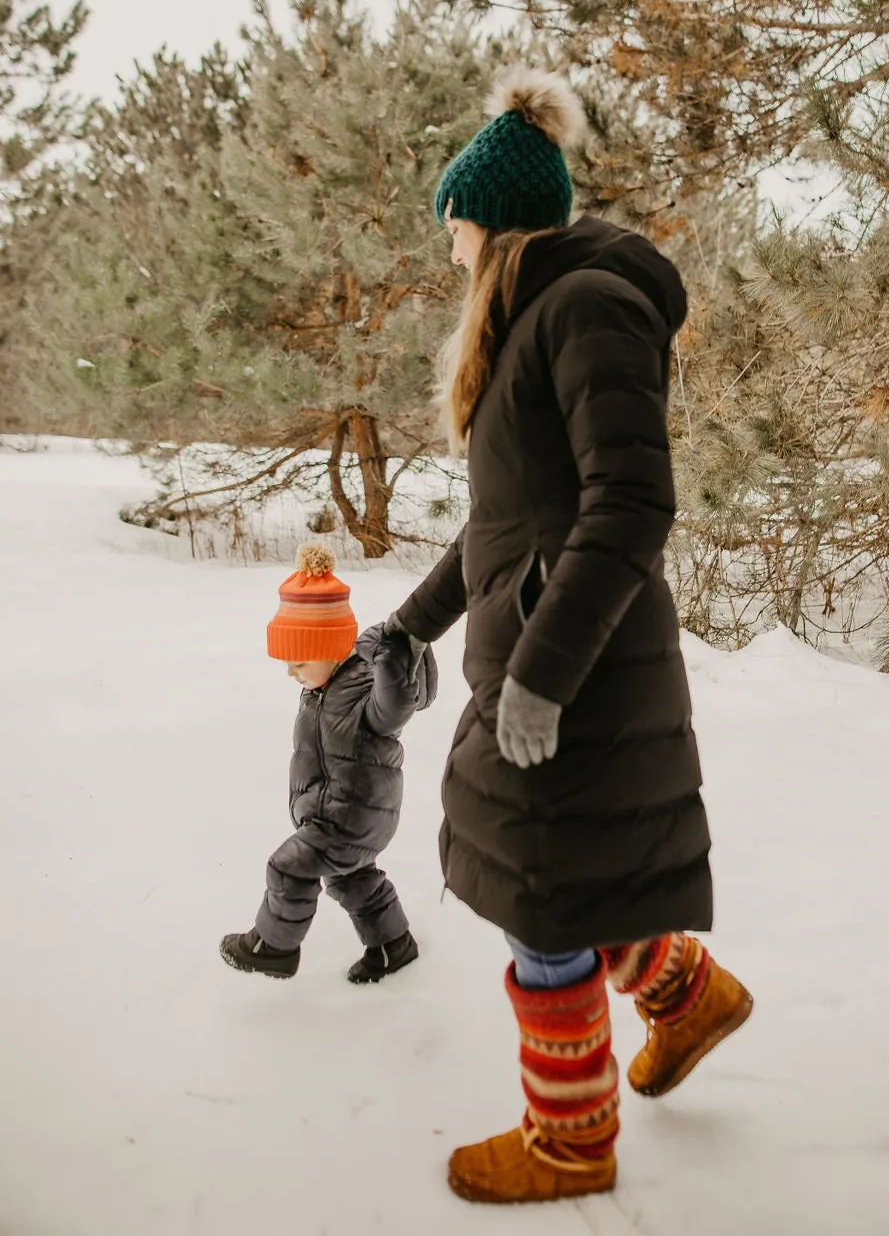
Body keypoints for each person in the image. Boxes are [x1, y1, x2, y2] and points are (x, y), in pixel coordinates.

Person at [386, 68, 753, 1203]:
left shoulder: (583, 307)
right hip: (541, 644)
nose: (446, 245)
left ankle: (570, 1140)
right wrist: (409, 625)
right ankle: (687, 993)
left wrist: (540, 677)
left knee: (538, 892)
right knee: (551, 872)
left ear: (486, 219)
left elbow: (630, 504)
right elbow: (505, 520)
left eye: (453, 221)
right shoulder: (530, 318)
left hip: (576, 661)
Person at [220, 542, 436, 984]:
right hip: (343, 815)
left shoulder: (363, 690)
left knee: (289, 866)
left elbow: (397, 703)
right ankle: (394, 946)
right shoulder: (323, 687)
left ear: (332, 647)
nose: (291, 673)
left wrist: (392, 653)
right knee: (352, 881)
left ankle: (273, 948)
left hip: (349, 817)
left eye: (299, 662)